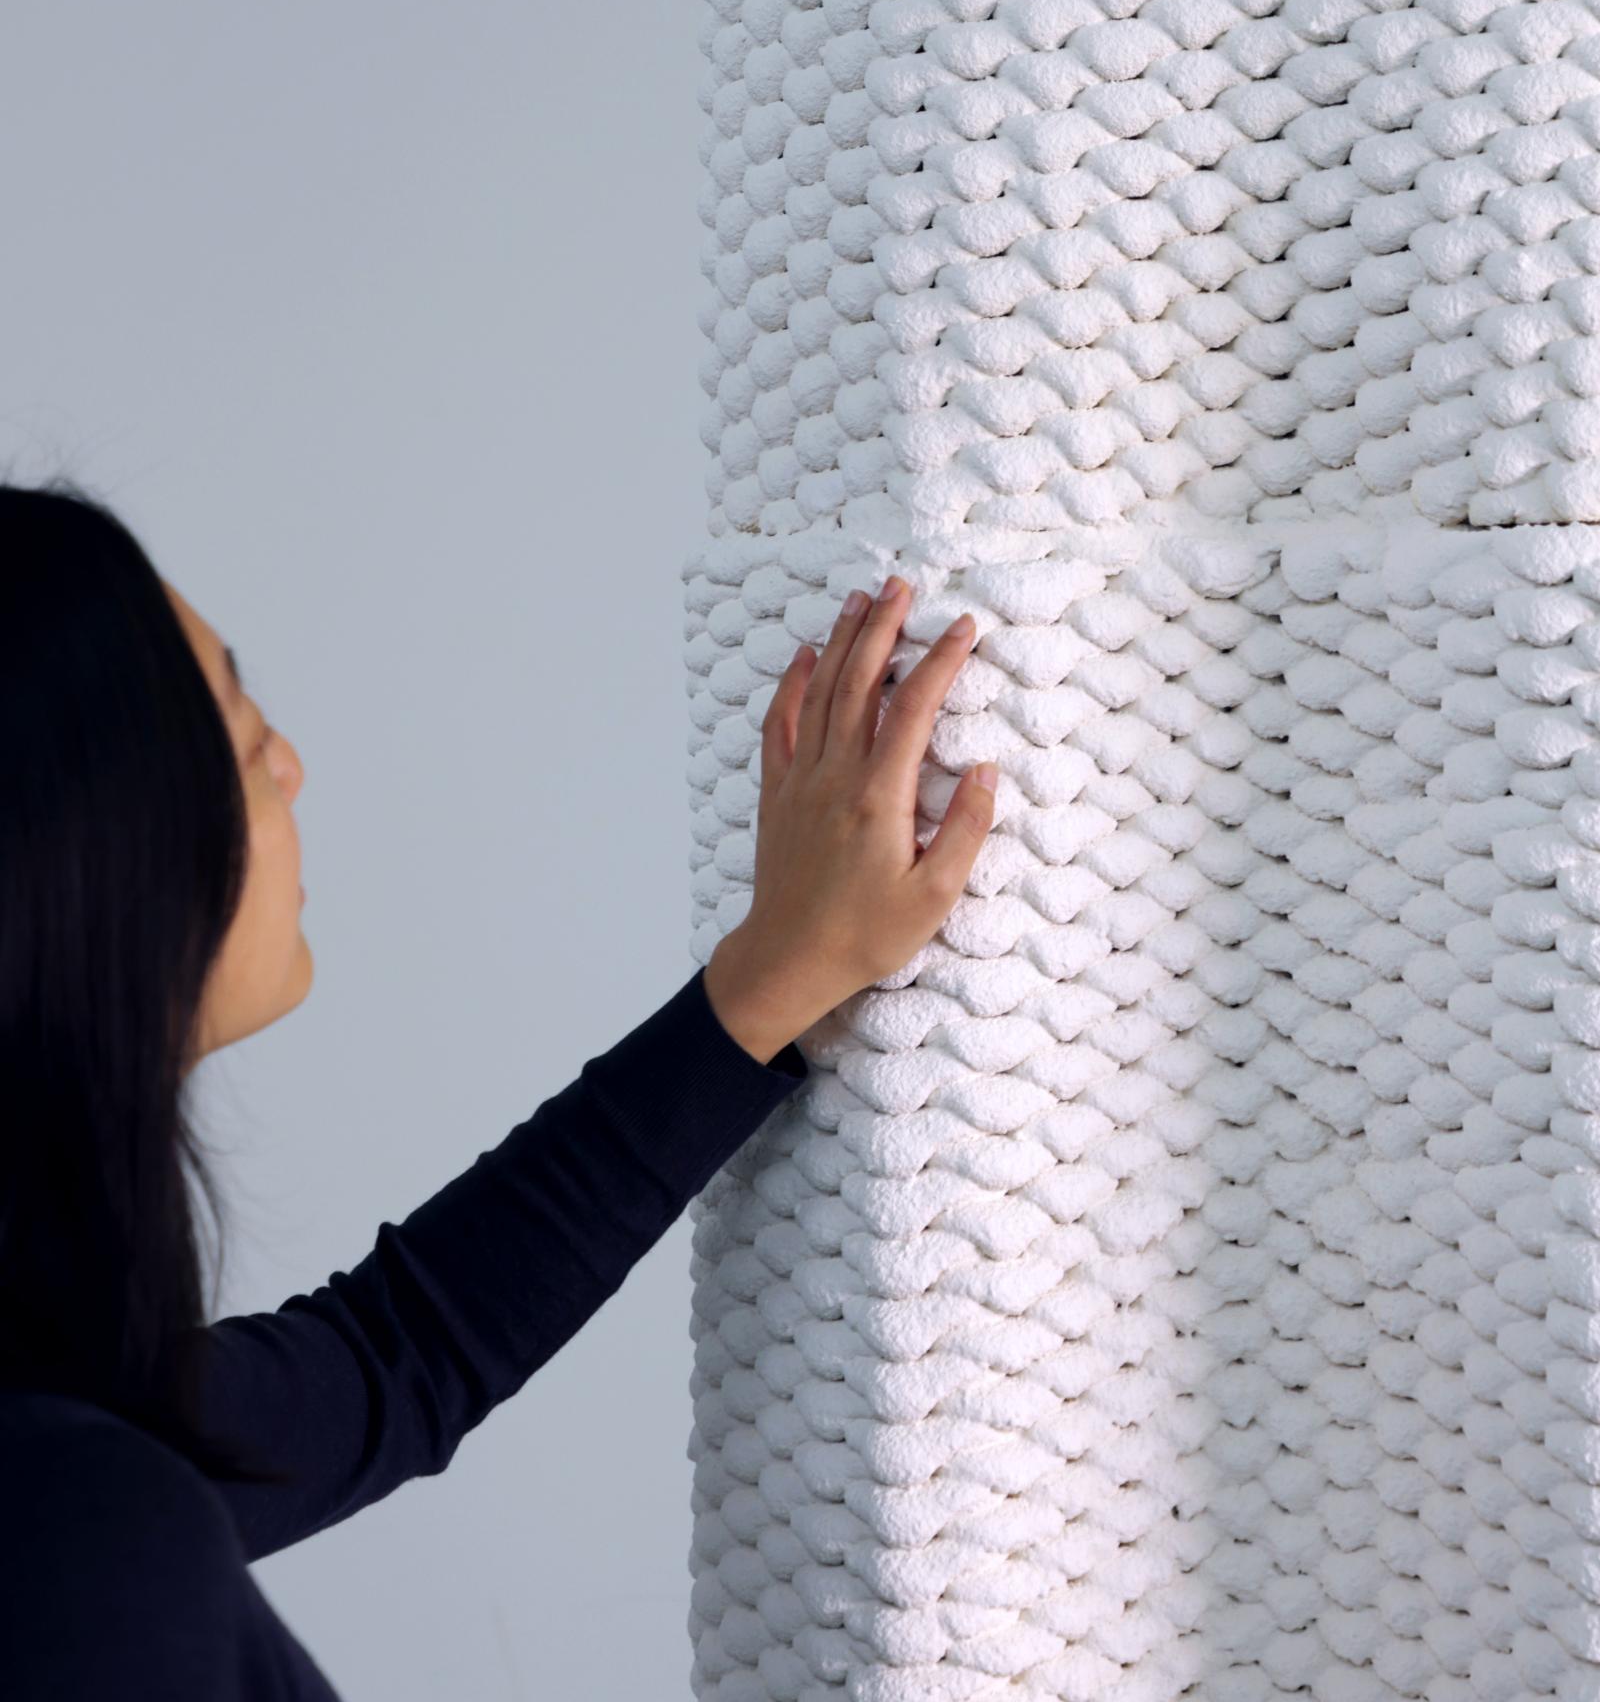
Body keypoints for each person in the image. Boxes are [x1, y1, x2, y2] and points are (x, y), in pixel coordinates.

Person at [0, 474, 998, 1696]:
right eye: (245, 735)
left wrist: (761, 988)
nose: (294, 765)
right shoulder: (73, 1543)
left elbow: (397, 1353)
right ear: (99, 864)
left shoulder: (56, 1439)